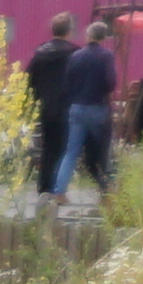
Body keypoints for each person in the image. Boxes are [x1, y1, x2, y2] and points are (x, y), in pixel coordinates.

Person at [50, 17, 120, 205]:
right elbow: (111, 82)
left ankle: (59, 192)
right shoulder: (106, 56)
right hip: (97, 108)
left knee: (71, 152)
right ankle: (106, 193)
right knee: (102, 151)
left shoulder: (76, 56)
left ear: (88, 35)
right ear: (103, 37)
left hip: (77, 108)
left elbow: (67, 83)